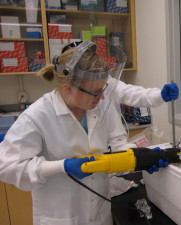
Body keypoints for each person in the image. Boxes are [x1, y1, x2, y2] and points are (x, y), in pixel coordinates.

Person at [0, 41, 166, 225]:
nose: (102, 97)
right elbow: (6, 166)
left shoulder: (101, 105)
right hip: (61, 217)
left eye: (103, 89)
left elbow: (117, 146)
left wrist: (141, 157)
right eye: (95, 92)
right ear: (68, 89)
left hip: (100, 214)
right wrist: (62, 166)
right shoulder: (38, 116)